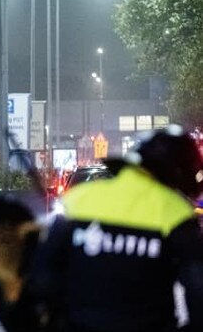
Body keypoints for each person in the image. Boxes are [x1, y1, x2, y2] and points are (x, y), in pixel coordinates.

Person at [29, 125, 203, 332]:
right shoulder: (174, 212)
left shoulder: (79, 199)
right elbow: (198, 289)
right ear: (179, 173)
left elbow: (41, 276)